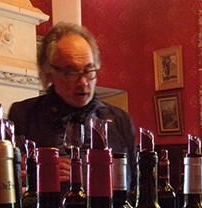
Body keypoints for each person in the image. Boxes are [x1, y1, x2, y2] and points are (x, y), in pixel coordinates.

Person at [8, 22, 136, 192]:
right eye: (71, 73)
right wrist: (39, 175)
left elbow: (134, 186)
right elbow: (11, 184)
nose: (83, 82)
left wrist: (85, 176)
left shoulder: (119, 120)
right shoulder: (24, 115)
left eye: (89, 71)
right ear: (49, 73)